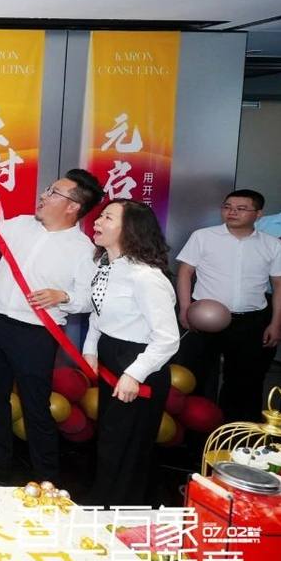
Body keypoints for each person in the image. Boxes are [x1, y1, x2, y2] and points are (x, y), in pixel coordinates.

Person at [0, 169, 103, 481]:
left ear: (73, 206)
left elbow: (89, 299)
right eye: (48, 189)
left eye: (53, 193)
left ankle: (46, 477)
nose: (43, 195)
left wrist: (63, 296)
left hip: (36, 333)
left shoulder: (84, 249)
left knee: (35, 404)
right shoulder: (22, 225)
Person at [84, 200, 178, 507]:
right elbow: (98, 312)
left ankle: (122, 510)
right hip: (112, 354)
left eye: (108, 217)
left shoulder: (146, 277)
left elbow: (167, 339)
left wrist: (134, 375)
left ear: (130, 229)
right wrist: (90, 349)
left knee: (128, 444)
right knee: (111, 437)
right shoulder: (106, 266)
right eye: (100, 215)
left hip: (139, 363)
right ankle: (103, 501)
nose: (97, 221)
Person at [175, 189, 281, 422]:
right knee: (197, 376)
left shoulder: (273, 245)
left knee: (245, 381)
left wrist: (276, 323)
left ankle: (234, 432)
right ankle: (196, 433)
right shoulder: (203, 236)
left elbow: (279, 284)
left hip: (251, 321)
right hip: (204, 319)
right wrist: (185, 308)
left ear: (258, 214)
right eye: (227, 207)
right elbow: (185, 272)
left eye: (241, 208)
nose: (232, 212)